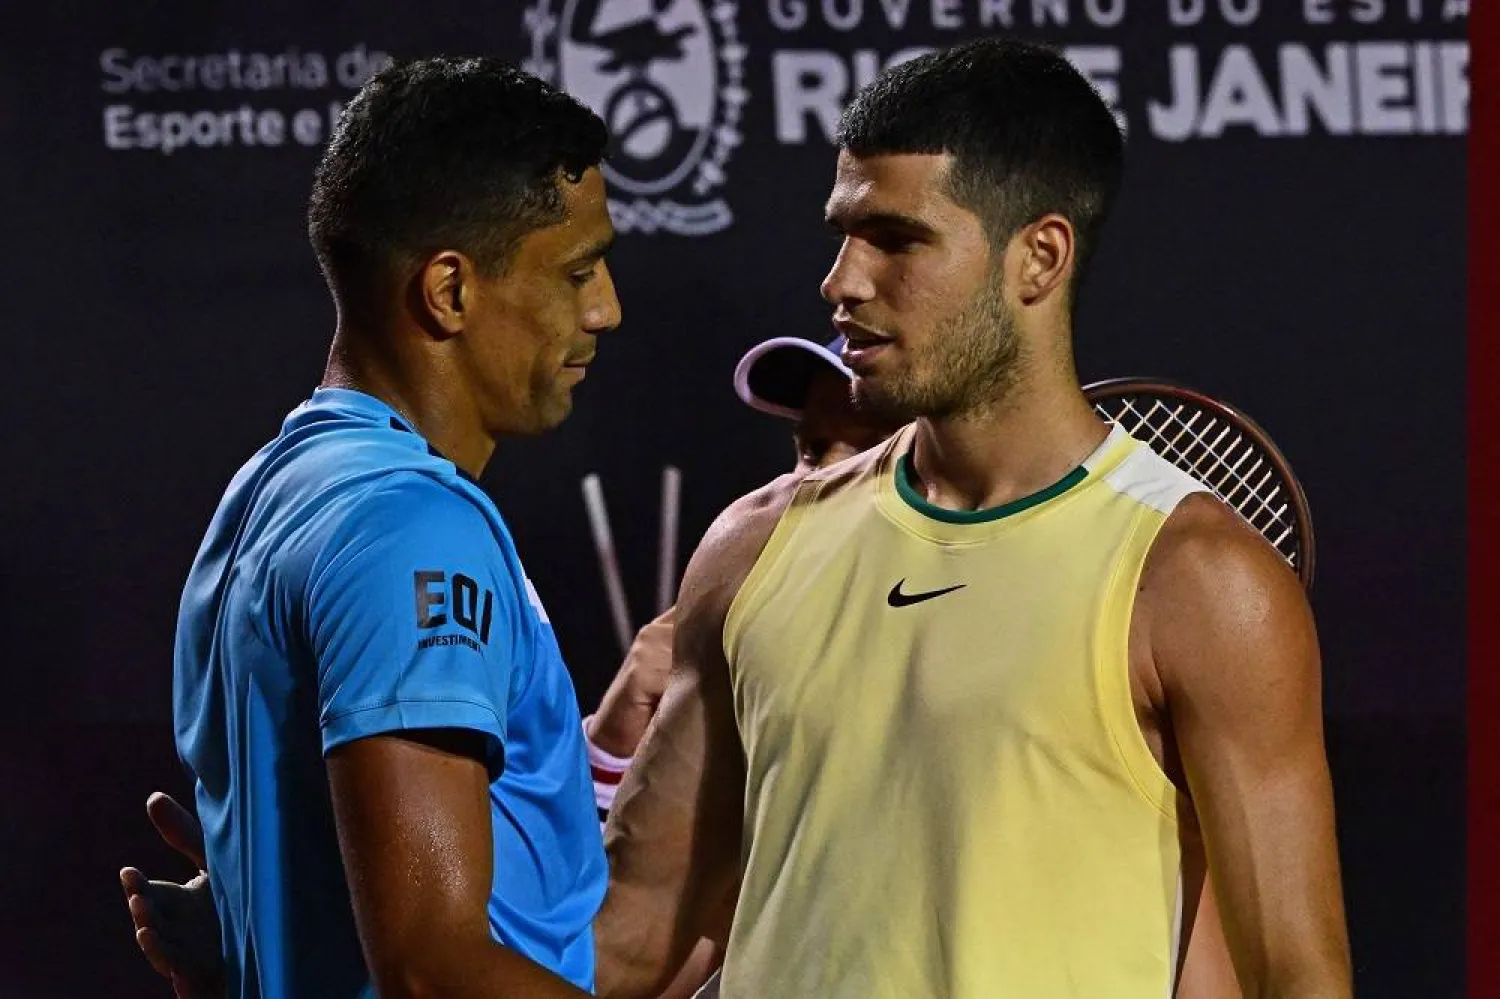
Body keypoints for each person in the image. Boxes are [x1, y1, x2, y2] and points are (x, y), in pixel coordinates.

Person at [592, 37, 1352, 998]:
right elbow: (634, 934)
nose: (842, 281)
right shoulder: (754, 547)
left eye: (898, 239)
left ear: (1038, 257)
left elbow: (1298, 979)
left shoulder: (1198, 583)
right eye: (843, 232)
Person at [122, 333, 902, 999]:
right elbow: (622, 943)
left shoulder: (982, 644)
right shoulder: (740, 620)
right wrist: (296, 919)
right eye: (808, 449)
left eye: (857, 453)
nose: (811, 483)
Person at [152, 55, 622, 998]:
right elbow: (433, 968)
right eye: (577, 271)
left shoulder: (270, 490)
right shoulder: (412, 528)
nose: (606, 308)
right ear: (449, 290)